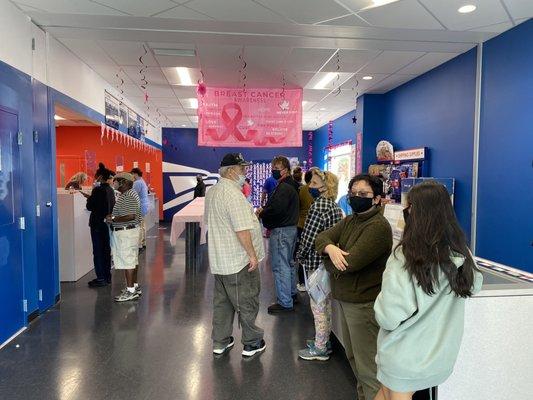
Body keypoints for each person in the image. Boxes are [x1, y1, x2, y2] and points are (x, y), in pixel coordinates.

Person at [373, 182, 483, 400]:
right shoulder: (460, 253)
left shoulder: (404, 257)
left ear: (416, 211)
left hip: (403, 358)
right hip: (439, 358)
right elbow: (474, 285)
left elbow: (388, 317)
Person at [315, 174, 392, 400]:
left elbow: (349, 264)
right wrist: (331, 249)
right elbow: (322, 238)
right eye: (353, 193)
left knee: (368, 367)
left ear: (377, 199)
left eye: (364, 194)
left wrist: (329, 258)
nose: (356, 197)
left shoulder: (378, 227)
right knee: (354, 360)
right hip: (347, 301)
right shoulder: (351, 220)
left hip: (363, 305)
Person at [205, 153, 266, 358]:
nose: (245, 172)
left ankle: (220, 342)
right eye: (242, 169)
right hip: (238, 260)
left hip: (221, 260)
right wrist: (252, 255)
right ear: (231, 171)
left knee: (222, 303)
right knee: (246, 301)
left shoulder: (213, 191)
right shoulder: (233, 194)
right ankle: (252, 342)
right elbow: (241, 229)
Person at [296, 169, 343, 361]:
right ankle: (324, 340)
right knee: (325, 304)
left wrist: (300, 255)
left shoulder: (318, 206)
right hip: (328, 263)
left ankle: (320, 347)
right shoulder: (333, 206)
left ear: (325, 187)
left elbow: (309, 237)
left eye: (314, 184)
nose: (310, 187)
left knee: (318, 306)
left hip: (316, 262)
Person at [257, 156, 300, 313]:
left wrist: (262, 213)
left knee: (280, 266)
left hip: (281, 231)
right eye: (273, 167)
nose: (274, 170)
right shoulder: (292, 185)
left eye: (277, 167)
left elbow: (276, 209)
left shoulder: (283, 188)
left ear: (286, 169)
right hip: (290, 229)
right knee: (288, 263)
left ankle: (284, 302)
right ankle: (291, 294)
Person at [106, 172, 141, 302]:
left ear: (124, 182)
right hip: (129, 232)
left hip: (126, 233)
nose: (114, 183)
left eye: (117, 180)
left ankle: (131, 291)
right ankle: (135, 287)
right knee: (132, 260)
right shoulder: (129, 194)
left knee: (128, 262)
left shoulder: (128, 196)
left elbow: (131, 216)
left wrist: (113, 218)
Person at [86, 164, 116, 287]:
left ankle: (100, 278)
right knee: (106, 249)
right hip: (107, 223)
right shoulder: (110, 190)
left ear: (100, 177)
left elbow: (90, 207)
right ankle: (107, 276)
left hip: (97, 223)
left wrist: (89, 199)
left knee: (98, 251)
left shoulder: (97, 190)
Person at [296, 169, 315, 291]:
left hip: (301, 224)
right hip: (314, 224)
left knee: (302, 252)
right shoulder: (317, 191)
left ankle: (303, 282)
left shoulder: (301, 190)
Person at [131, 168, 150, 250]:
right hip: (144, 206)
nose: (132, 176)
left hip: (140, 206)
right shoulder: (142, 181)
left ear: (135, 174)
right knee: (143, 225)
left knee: (139, 226)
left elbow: (133, 194)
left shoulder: (137, 183)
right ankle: (143, 242)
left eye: (132, 174)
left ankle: (139, 244)